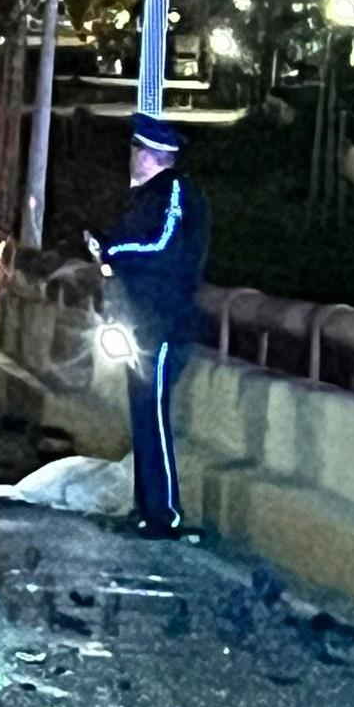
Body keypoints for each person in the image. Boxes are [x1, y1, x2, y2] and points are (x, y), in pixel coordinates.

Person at [86, 113, 210, 539]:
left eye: (136, 151)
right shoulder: (146, 197)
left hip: (162, 323)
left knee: (153, 417)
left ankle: (164, 514)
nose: (131, 159)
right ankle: (146, 509)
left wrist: (112, 249)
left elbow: (159, 245)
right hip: (142, 322)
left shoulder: (173, 191)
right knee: (142, 416)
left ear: (151, 155)